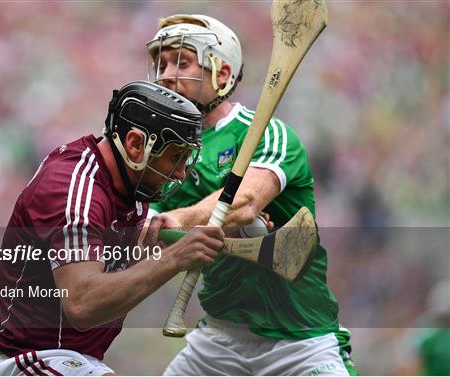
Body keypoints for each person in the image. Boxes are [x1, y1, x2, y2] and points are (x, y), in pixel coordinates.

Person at [145, 14, 358, 375]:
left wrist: (178, 220)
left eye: (181, 62)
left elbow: (243, 202)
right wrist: (164, 228)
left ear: (222, 74)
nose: (165, 74)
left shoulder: (270, 134)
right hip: (219, 339)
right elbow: (150, 231)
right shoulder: (165, 156)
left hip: (300, 343)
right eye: (161, 64)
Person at [0, 80, 225, 376]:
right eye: (175, 157)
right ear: (136, 144)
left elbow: (112, 268)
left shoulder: (129, 185)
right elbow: (83, 304)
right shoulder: (74, 188)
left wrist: (160, 250)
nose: (179, 172)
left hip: (80, 360)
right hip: (33, 358)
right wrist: (174, 259)